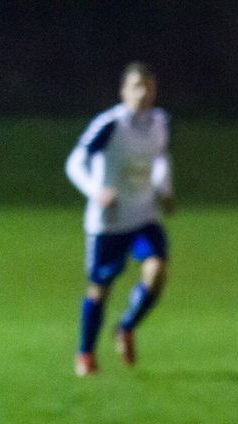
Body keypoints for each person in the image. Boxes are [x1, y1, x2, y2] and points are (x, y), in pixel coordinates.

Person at [65, 61, 175, 377]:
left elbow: (162, 158)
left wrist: (165, 191)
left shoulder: (160, 122)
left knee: (157, 272)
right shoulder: (109, 124)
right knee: (101, 289)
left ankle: (125, 327)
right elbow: (74, 162)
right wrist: (95, 191)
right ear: (123, 90)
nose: (142, 93)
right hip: (109, 221)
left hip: (143, 216)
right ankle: (85, 354)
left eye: (148, 87)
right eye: (136, 86)